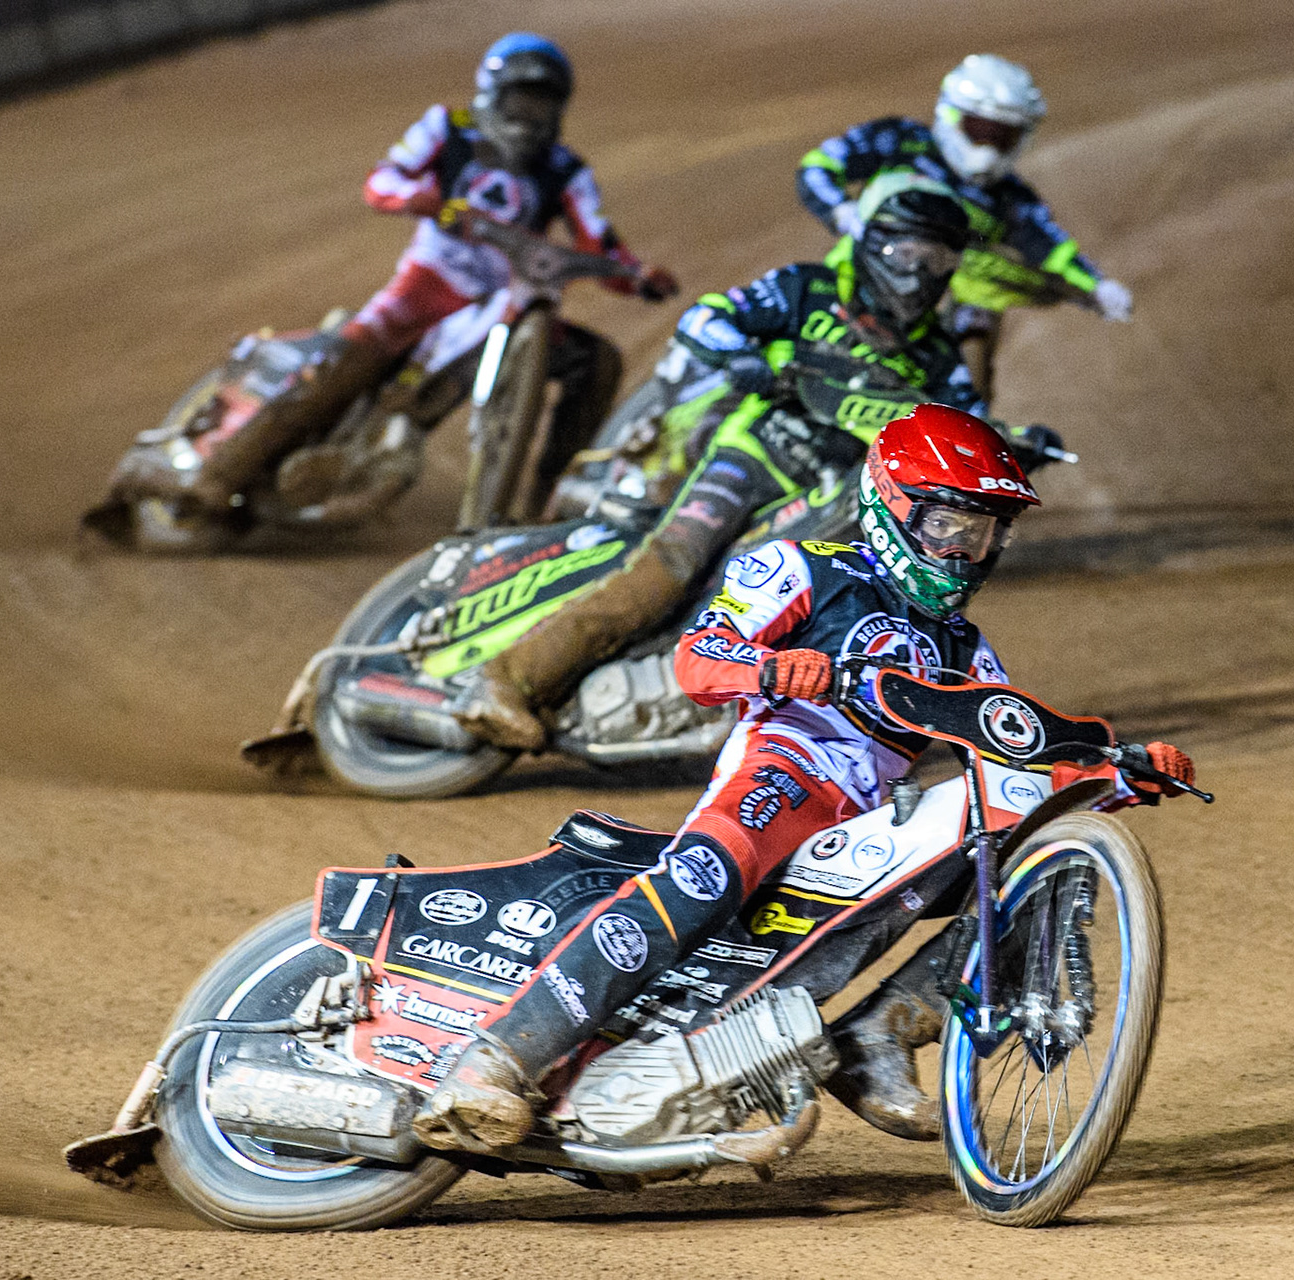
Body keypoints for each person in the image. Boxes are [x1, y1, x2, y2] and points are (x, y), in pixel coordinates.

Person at [412, 403, 1195, 1154]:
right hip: (782, 775)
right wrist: (772, 667)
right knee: (703, 875)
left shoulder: (965, 647)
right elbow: (696, 660)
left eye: (983, 532)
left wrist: (1115, 774)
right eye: (947, 525)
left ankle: (880, 1034)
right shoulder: (801, 570)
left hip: (868, 824)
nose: (964, 551)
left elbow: (1013, 755)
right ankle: (498, 1061)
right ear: (892, 508)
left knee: (1019, 866)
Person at [442, 172, 988, 752]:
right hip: (753, 457)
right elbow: (706, 317)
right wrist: (743, 358)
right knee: (671, 568)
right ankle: (500, 680)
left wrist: (1011, 445)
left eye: (939, 257)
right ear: (872, 241)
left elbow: (967, 424)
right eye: (909, 251)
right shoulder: (808, 289)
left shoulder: (938, 356)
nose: (921, 272)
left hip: (837, 492)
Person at [179, 33, 678, 510]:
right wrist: (430, 202)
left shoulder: (567, 169)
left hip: (508, 296)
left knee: (599, 363)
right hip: (430, 280)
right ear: (492, 93)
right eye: (521, 101)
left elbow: (598, 240)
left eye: (543, 105)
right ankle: (218, 475)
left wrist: (637, 276)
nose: (530, 117)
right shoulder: (447, 128)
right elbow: (381, 181)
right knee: (348, 359)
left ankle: (550, 502)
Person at [797, 54, 1132, 400]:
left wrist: (1098, 286)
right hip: (861, 276)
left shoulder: (1012, 198)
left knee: (980, 326)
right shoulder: (900, 140)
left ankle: (964, 412)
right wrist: (841, 210)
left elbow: (1054, 250)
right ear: (951, 113)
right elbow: (817, 166)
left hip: (954, 301)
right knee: (794, 325)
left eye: (1003, 136)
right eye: (980, 130)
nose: (988, 147)